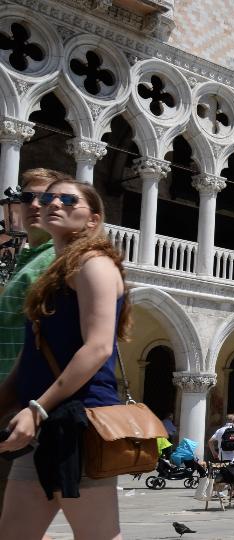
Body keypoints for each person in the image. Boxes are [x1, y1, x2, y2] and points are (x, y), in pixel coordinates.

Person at [0, 179, 130, 539]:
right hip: (39, 425)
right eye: (48, 197)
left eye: (68, 199)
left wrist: (37, 408)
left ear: (92, 220)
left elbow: (98, 347)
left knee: (97, 535)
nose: (53, 202)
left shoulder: (95, 264)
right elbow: (31, 357)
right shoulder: (50, 275)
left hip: (80, 424)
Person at [0, 168, 69, 519]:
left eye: (46, 197)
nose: (35, 205)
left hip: (21, 409)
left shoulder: (56, 261)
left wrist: (35, 406)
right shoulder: (24, 258)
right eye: (26, 197)